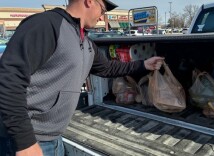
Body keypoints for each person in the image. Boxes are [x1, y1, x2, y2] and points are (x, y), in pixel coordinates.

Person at [0, 0, 164, 155]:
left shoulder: (85, 41)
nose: (102, 16)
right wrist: (25, 142)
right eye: (103, 9)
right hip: (27, 140)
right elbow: (8, 80)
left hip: (54, 138)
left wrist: (143, 65)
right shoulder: (46, 25)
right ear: (89, 1)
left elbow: (107, 68)